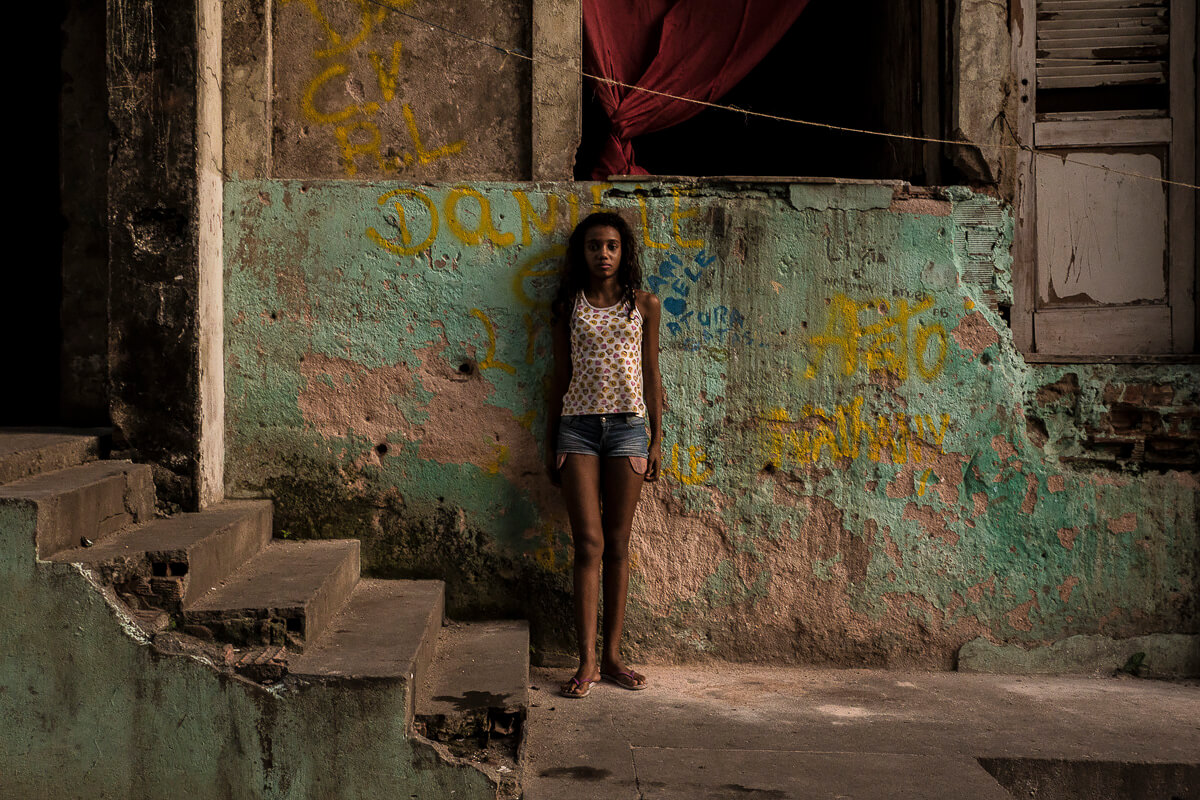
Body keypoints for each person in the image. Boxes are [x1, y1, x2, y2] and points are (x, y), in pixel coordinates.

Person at [545, 211, 663, 699]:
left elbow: (652, 375)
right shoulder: (568, 306)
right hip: (577, 431)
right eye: (594, 246)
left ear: (624, 251)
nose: (604, 254)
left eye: (612, 245)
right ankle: (587, 661)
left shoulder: (644, 305)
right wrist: (549, 438)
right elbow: (559, 374)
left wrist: (657, 439)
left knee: (618, 542)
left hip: (629, 430)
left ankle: (613, 656)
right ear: (583, 253)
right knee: (588, 544)